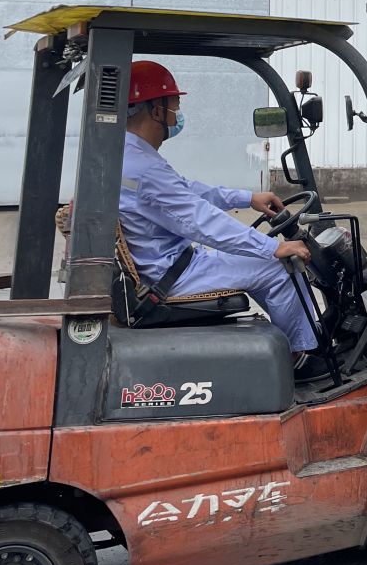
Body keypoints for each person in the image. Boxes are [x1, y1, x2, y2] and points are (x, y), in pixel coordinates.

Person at [119, 60, 322, 365]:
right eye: (174, 106)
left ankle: (292, 348)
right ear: (155, 110)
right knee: (279, 268)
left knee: (261, 261)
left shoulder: (128, 156)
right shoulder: (145, 168)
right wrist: (273, 247)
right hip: (172, 275)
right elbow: (200, 220)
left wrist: (247, 198)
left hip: (169, 264)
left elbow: (187, 191)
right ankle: (299, 359)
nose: (177, 114)